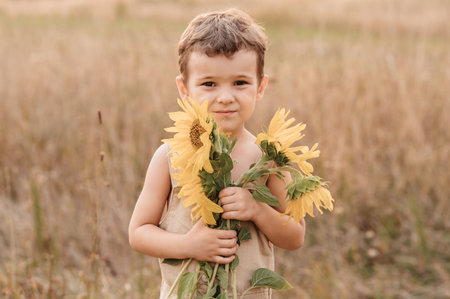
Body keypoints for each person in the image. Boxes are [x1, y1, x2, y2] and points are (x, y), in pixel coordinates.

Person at [128, 8, 305, 298]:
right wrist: (189, 245)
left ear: (260, 86)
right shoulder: (169, 157)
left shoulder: (269, 160)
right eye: (209, 84)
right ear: (184, 89)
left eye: (240, 83)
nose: (225, 97)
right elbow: (139, 233)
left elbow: (295, 236)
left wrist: (257, 209)